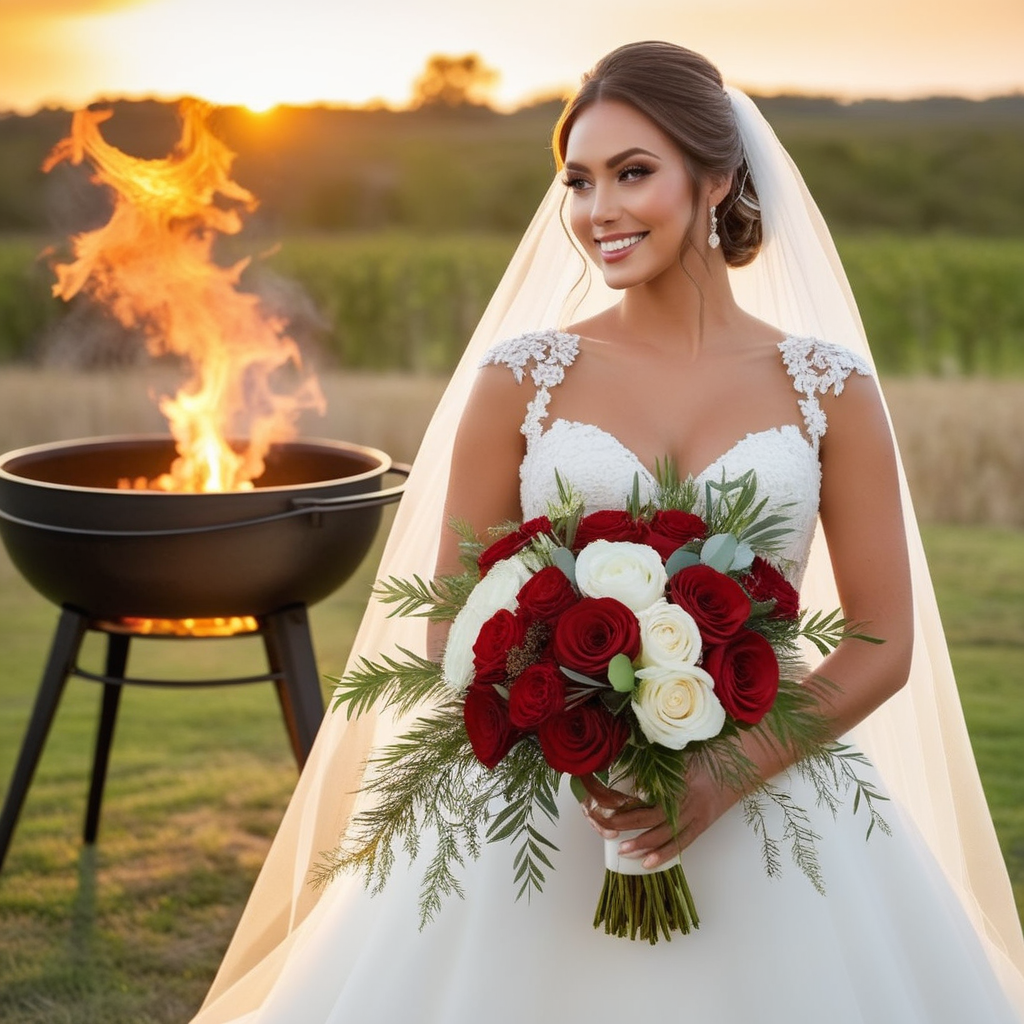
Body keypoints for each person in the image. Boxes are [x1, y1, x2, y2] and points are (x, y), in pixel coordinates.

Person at [190, 42, 1024, 1023]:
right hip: (544, 802)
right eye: (578, 181)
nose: (598, 210)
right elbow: (451, 623)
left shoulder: (829, 388)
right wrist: (570, 721)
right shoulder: (519, 378)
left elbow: (882, 639)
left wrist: (717, 777)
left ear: (715, 179)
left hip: (768, 791)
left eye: (634, 173)